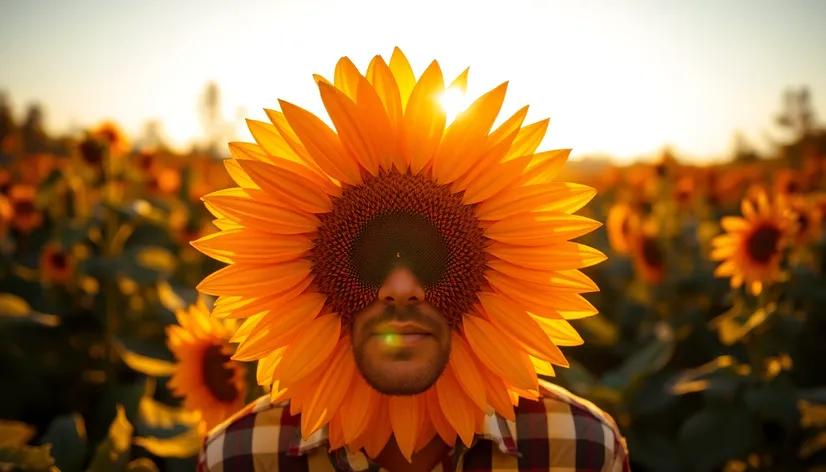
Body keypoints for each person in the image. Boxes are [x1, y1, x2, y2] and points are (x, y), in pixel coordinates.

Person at [192, 48, 630, 471]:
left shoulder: (579, 452)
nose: (401, 287)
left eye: (430, 259)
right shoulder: (240, 459)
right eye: (371, 259)